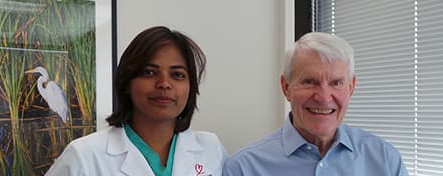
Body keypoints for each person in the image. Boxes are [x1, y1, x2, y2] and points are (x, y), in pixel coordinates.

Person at [46, 26, 228, 176]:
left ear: (191, 87)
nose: (164, 83)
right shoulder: (84, 156)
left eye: (177, 75)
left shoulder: (211, 149)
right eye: (149, 72)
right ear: (127, 82)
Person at [223, 32, 408, 176]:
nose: (324, 97)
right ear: (286, 87)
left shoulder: (386, 160)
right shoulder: (243, 169)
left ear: (351, 88)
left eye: (336, 83)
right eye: (310, 82)